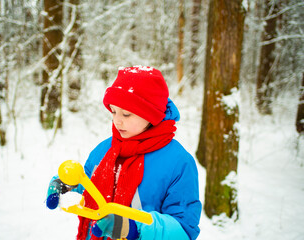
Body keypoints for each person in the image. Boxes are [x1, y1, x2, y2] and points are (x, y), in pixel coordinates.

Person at [46, 66, 201, 240]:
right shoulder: (104, 151)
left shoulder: (178, 163)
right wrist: (69, 186)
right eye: (113, 111)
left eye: (126, 114)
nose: (117, 120)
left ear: (152, 115)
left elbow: (184, 231)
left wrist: (134, 228)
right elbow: (89, 190)